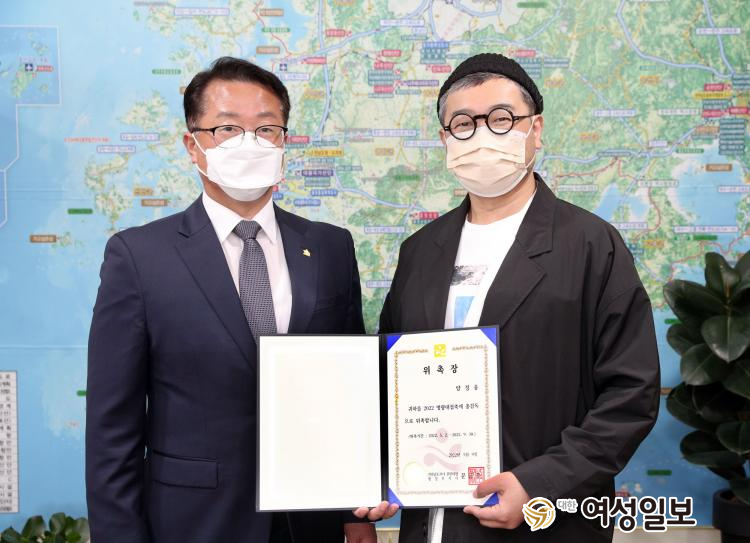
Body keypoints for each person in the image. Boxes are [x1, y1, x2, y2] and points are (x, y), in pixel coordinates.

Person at [370, 53, 661, 541]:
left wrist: (539, 483)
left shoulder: (591, 245)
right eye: (463, 124)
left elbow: (631, 393)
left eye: (502, 119)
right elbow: (389, 378)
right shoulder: (420, 251)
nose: (482, 135)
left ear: (535, 129)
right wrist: (376, 472)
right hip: (430, 523)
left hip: (544, 523)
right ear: (445, 140)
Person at [86, 57, 376, 543]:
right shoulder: (138, 257)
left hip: (310, 521)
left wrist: (355, 511)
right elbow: (111, 430)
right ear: (193, 146)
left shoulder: (331, 247)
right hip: (195, 522)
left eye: (266, 129)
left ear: (283, 142)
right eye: (227, 129)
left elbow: (349, 394)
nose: (249, 143)